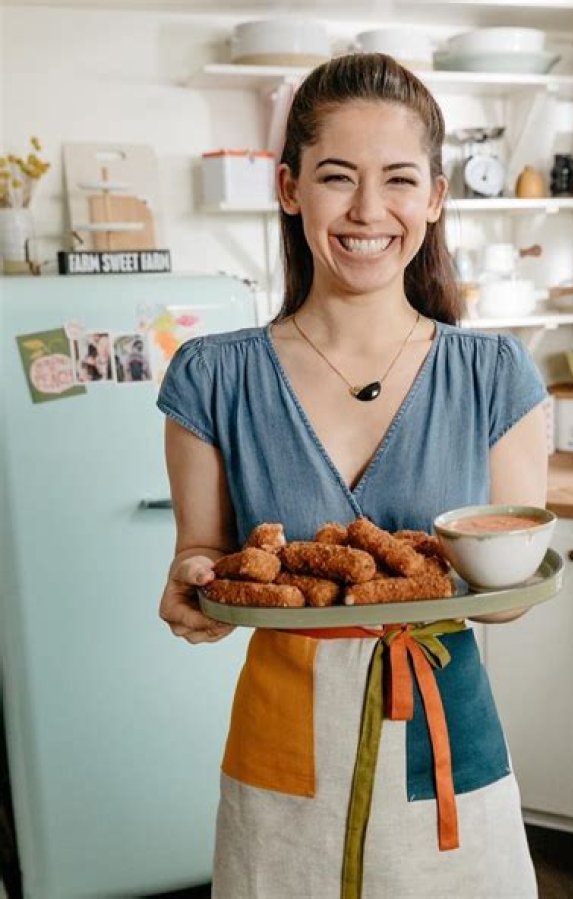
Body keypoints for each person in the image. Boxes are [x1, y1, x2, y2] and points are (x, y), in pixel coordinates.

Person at [157, 53, 548, 899]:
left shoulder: (496, 375)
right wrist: (193, 582)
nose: (369, 210)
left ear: (436, 198)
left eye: (400, 179)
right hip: (283, 739)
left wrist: (502, 580)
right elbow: (202, 553)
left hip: (445, 735)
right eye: (338, 177)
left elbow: (510, 588)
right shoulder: (211, 377)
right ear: (291, 188)